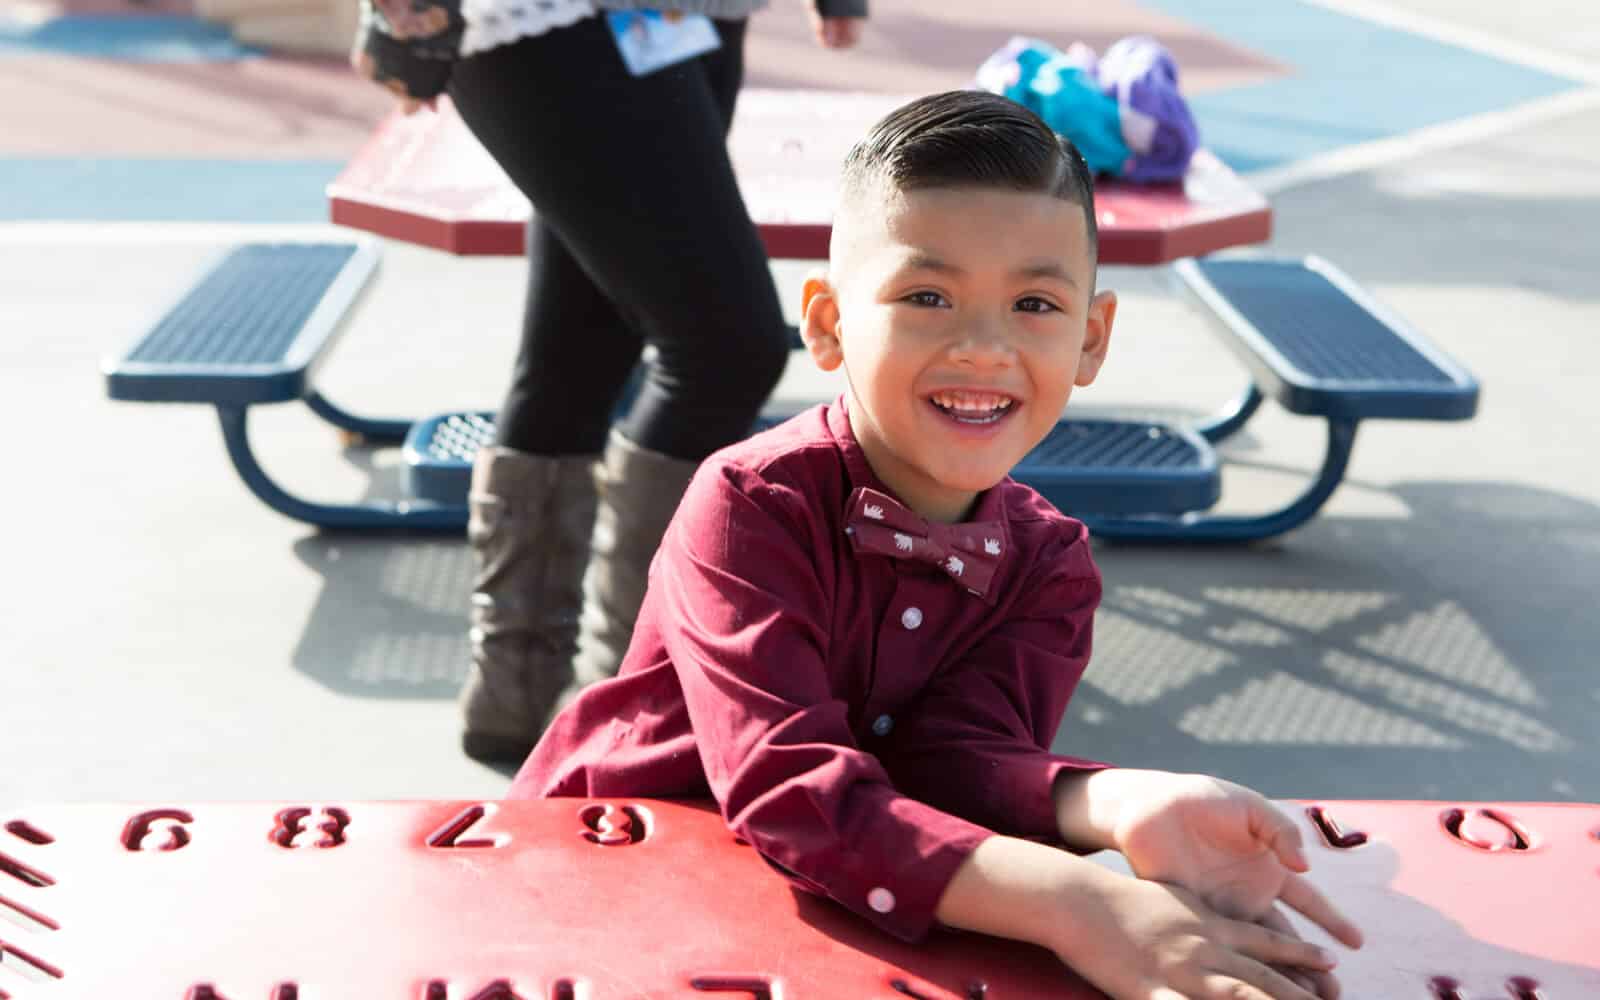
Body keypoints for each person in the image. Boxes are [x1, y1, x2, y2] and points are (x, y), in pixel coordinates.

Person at [508, 90, 1366, 999]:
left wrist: (1115, 805)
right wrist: (1083, 903)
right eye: (928, 296)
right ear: (830, 323)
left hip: (834, 918)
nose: (985, 346)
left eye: (1035, 302)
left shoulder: (1051, 563)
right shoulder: (746, 503)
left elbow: (951, 762)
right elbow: (794, 791)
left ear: (1093, 337)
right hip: (597, 876)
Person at [352, 0, 867, 763]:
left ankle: (518, 693)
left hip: (687, 21)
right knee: (724, 350)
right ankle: (632, 709)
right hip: (547, 20)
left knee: (581, 345)